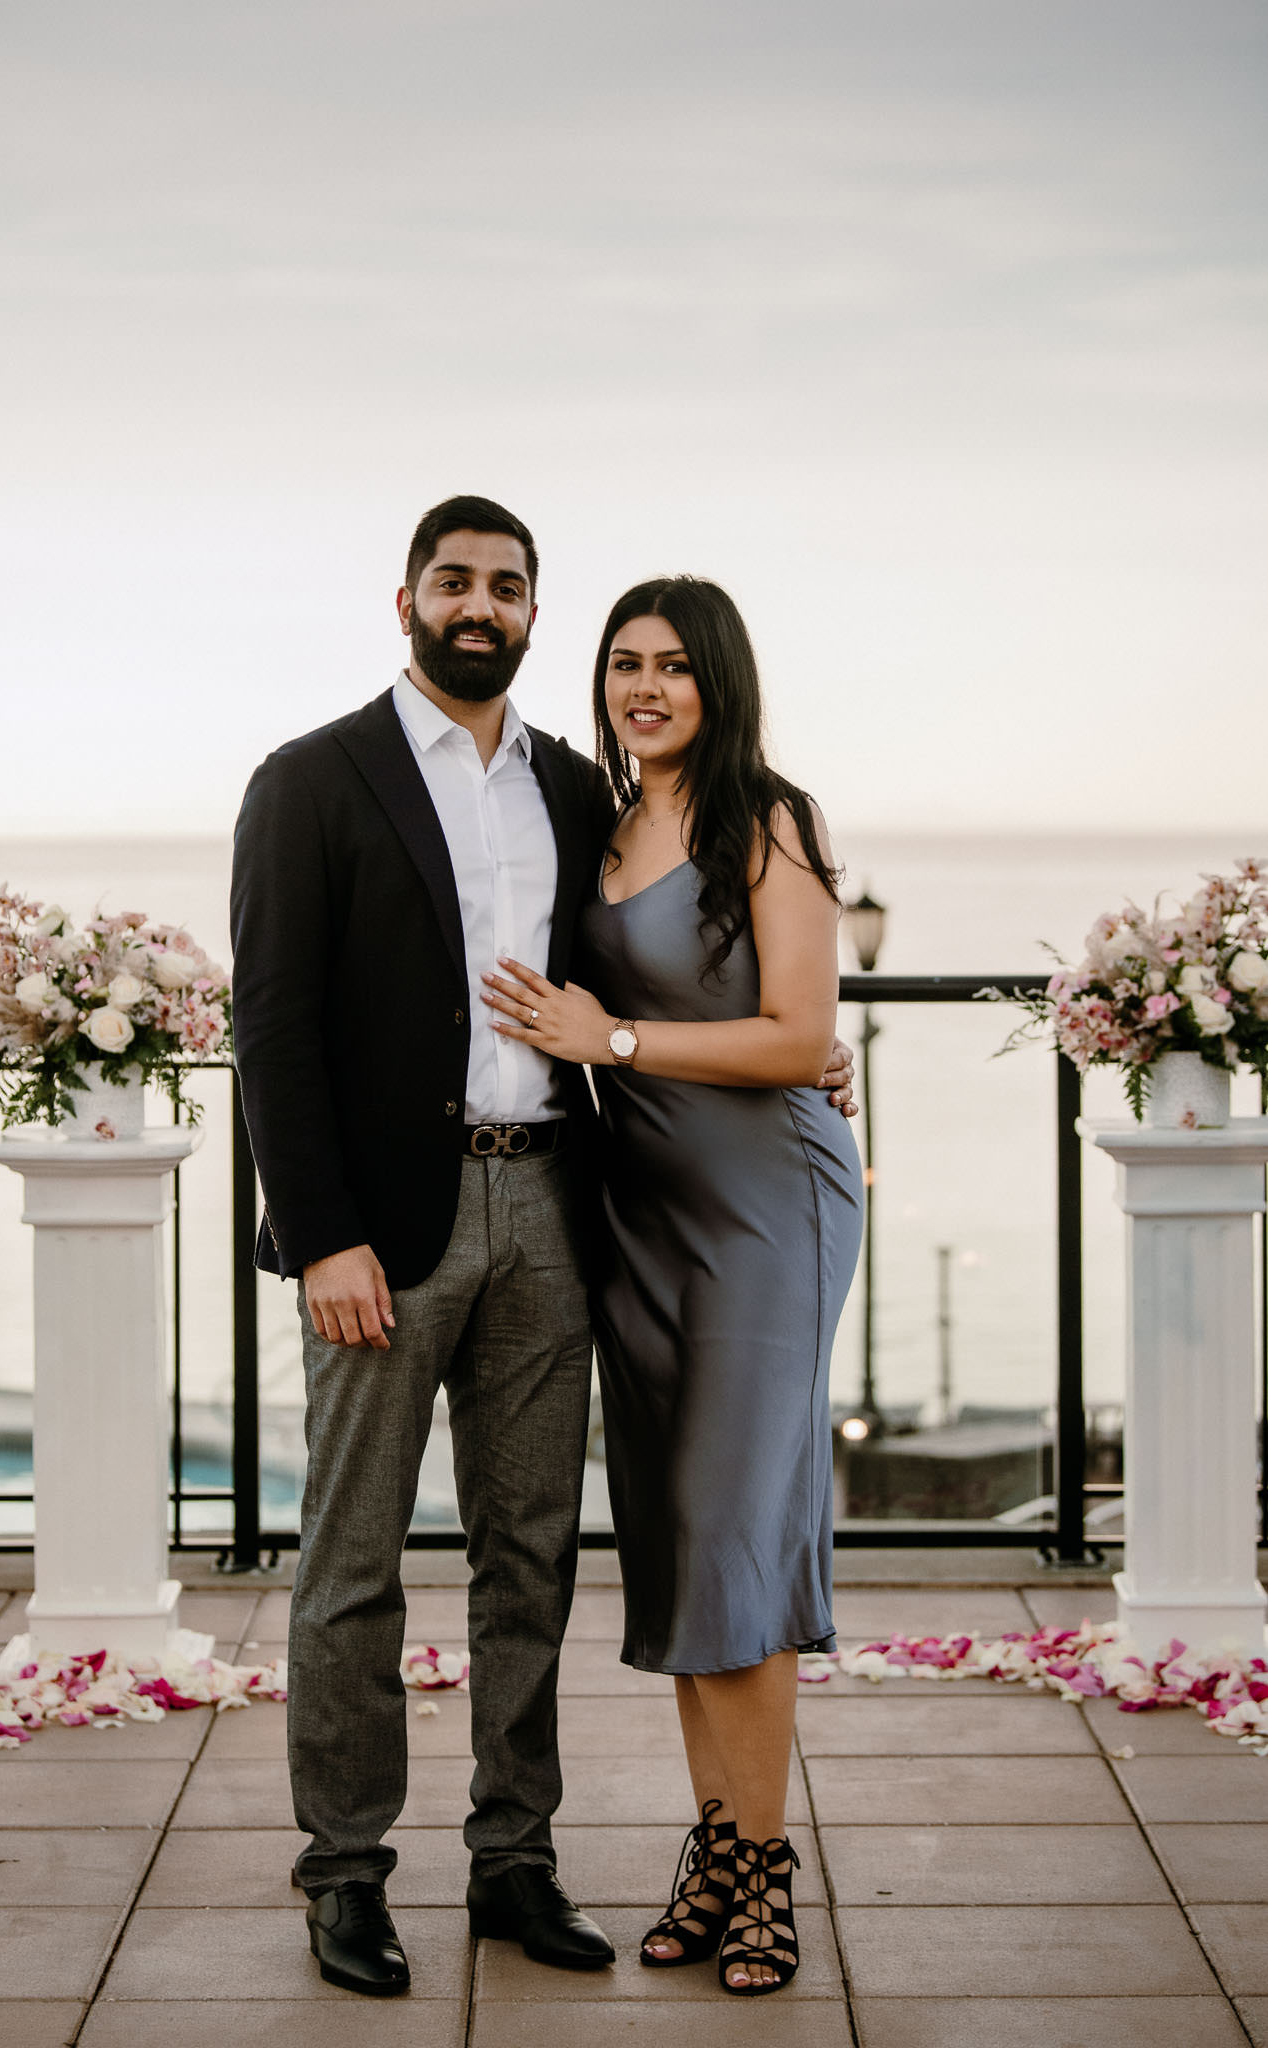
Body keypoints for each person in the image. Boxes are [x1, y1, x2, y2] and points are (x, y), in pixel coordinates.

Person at [230, 503, 857, 1998]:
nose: (480, 604)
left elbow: (714, 967)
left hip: (564, 1212)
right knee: (351, 1566)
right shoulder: (309, 781)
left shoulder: (583, 792)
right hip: (389, 1230)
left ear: (526, 616)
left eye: (507, 586)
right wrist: (322, 1236)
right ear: (406, 599)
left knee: (533, 1560)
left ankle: (516, 1859)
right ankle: (347, 1873)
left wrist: (809, 1059)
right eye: (454, 580)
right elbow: (274, 1027)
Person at [481, 576, 863, 1998]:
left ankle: (764, 1879)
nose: (646, 687)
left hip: (766, 1209)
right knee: (684, 1539)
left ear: (720, 681)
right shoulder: (597, 816)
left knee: (735, 1534)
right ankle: (715, 1849)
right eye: (624, 664)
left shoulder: (768, 816)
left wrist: (615, 1036)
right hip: (639, 1217)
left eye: (674, 667)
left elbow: (795, 1033)